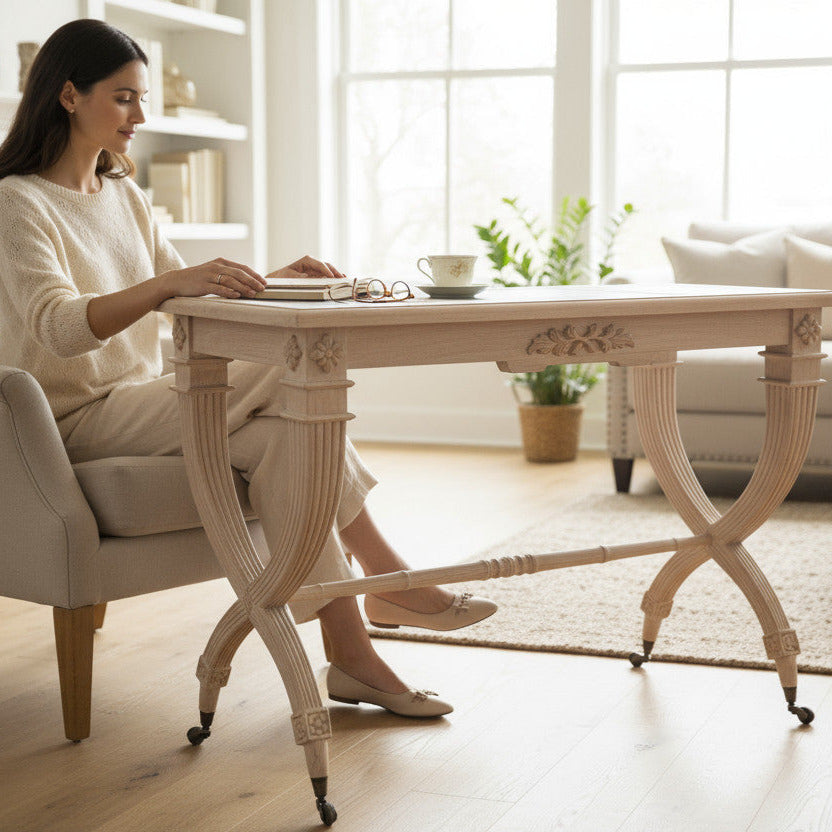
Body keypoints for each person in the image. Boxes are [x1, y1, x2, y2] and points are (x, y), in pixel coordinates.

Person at [0, 19, 497, 719]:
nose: (141, 116)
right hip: (72, 422)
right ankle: (388, 576)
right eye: (124, 99)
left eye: (142, 98)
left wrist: (269, 281)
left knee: (294, 438)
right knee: (293, 363)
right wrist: (171, 286)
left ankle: (352, 656)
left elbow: (184, 293)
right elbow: (59, 326)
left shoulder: (125, 196)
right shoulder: (17, 201)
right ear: (69, 95)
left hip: (145, 400)